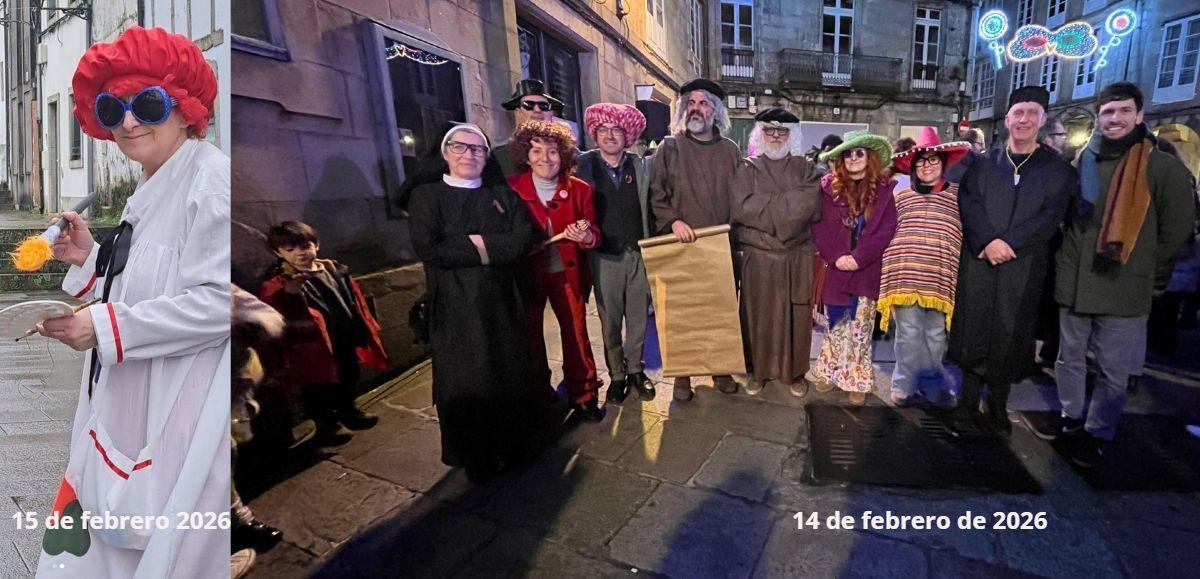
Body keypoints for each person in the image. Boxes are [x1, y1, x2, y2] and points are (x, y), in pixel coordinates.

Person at [34, 26, 229, 577]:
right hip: (125, 402)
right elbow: (154, 284)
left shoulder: (209, 185)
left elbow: (219, 304)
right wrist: (90, 260)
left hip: (175, 402)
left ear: (186, 108)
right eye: (112, 108)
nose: (129, 121)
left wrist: (101, 327)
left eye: (147, 103)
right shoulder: (157, 181)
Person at [1030, 82, 1195, 467]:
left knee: (1112, 368)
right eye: (1107, 112)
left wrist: (1147, 273)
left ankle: (1097, 431)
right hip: (1076, 280)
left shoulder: (1161, 166)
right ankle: (1072, 419)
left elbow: (1176, 229)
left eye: (1123, 111)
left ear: (1139, 116)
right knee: (1068, 359)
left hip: (1124, 284)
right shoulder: (1082, 160)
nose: (1115, 119)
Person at [407, 123, 546, 480]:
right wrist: (492, 248)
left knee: (510, 374)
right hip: (455, 307)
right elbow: (432, 249)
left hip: (502, 301)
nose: (469, 155)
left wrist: (471, 245)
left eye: (478, 149)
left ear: (487, 157)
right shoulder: (427, 197)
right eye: (460, 147)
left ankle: (514, 445)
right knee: (466, 382)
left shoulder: (503, 196)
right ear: (445, 152)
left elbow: (526, 238)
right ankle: (475, 455)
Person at [947, 85, 1076, 436]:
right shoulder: (983, 163)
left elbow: (1051, 216)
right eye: (1018, 113)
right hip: (980, 260)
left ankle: (998, 404)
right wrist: (988, 240)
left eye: (1031, 113)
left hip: (1024, 265)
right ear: (1007, 119)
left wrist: (1011, 243)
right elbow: (969, 203)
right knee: (974, 329)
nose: (1023, 120)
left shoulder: (1058, 170)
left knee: (1010, 331)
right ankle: (967, 401)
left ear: (1042, 120)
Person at [649, 78, 742, 400]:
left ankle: (719, 368)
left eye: (704, 103)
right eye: (691, 103)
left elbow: (739, 197)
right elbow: (657, 193)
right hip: (681, 244)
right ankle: (683, 375)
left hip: (718, 244)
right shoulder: (670, 147)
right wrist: (673, 221)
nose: (697, 109)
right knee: (682, 313)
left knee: (718, 311)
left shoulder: (730, 151)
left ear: (715, 112)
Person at [507, 120, 606, 421]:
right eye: (536, 151)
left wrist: (586, 236)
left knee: (576, 333)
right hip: (528, 274)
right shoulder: (511, 188)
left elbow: (594, 231)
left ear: (563, 155)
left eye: (552, 152)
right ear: (526, 155)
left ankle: (584, 393)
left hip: (567, 272)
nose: (544, 159)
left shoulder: (579, 189)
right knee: (531, 335)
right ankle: (539, 391)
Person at [258, 221, 388, 443]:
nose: (300, 253)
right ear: (278, 252)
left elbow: (350, 297)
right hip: (313, 344)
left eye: (305, 246)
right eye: (290, 249)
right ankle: (327, 425)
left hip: (342, 333)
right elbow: (271, 312)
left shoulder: (332, 268)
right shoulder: (280, 281)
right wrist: (290, 294)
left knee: (349, 373)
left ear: (316, 245)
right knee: (318, 385)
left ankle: (349, 410)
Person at [731, 108, 822, 397]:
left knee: (796, 318)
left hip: (795, 258)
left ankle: (795, 373)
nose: (775, 136)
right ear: (760, 133)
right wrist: (784, 207)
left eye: (782, 131)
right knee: (758, 317)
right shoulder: (747, 168)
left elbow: (807, 208)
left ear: (791, 135)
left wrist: (765, 207)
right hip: (759, 260)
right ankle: (758, 372)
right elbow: (741, 208)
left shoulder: (806, 169)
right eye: (769, 130)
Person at [877, 127, 971, 407]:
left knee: (936, 335)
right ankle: (903, 385)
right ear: (913, 168)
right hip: (905, 275)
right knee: (907, 334)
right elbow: (885, 229)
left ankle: (932, 383)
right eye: (920, 162)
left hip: (941, 278)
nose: (926, 166)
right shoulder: (901, 196)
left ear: (943, 164)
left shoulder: (958, 196)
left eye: (932, 160)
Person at [807, 130, 898, 406]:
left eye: (859, 153)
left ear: (868, 157)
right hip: (835, 270)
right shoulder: (827, 188)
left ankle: (856, 378)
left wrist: (859, 258)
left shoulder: (884, 191)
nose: (854, 158)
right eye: (849, 153)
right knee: (835, 325)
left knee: (860, 327)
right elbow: (819, 227)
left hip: (865, 270)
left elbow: (886, 230)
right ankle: (829, 371)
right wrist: (836, 257)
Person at [575, 103, 656, 404]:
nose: (610, 135)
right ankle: (617, 376)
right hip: (602, 255)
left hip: (637, 252)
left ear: (628, 135)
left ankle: (635, 370)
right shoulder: (582, 165)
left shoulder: (640, 165)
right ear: (595, 133)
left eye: (617, 130)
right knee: (609, 321)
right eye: (604, 129)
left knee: (637, 318)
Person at [493, 79, 564, 177]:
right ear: (517, 112)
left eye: (544, 106)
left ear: (551, 113)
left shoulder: (568, 152)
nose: (537, 110)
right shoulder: (499, 156)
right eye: (528, 105)